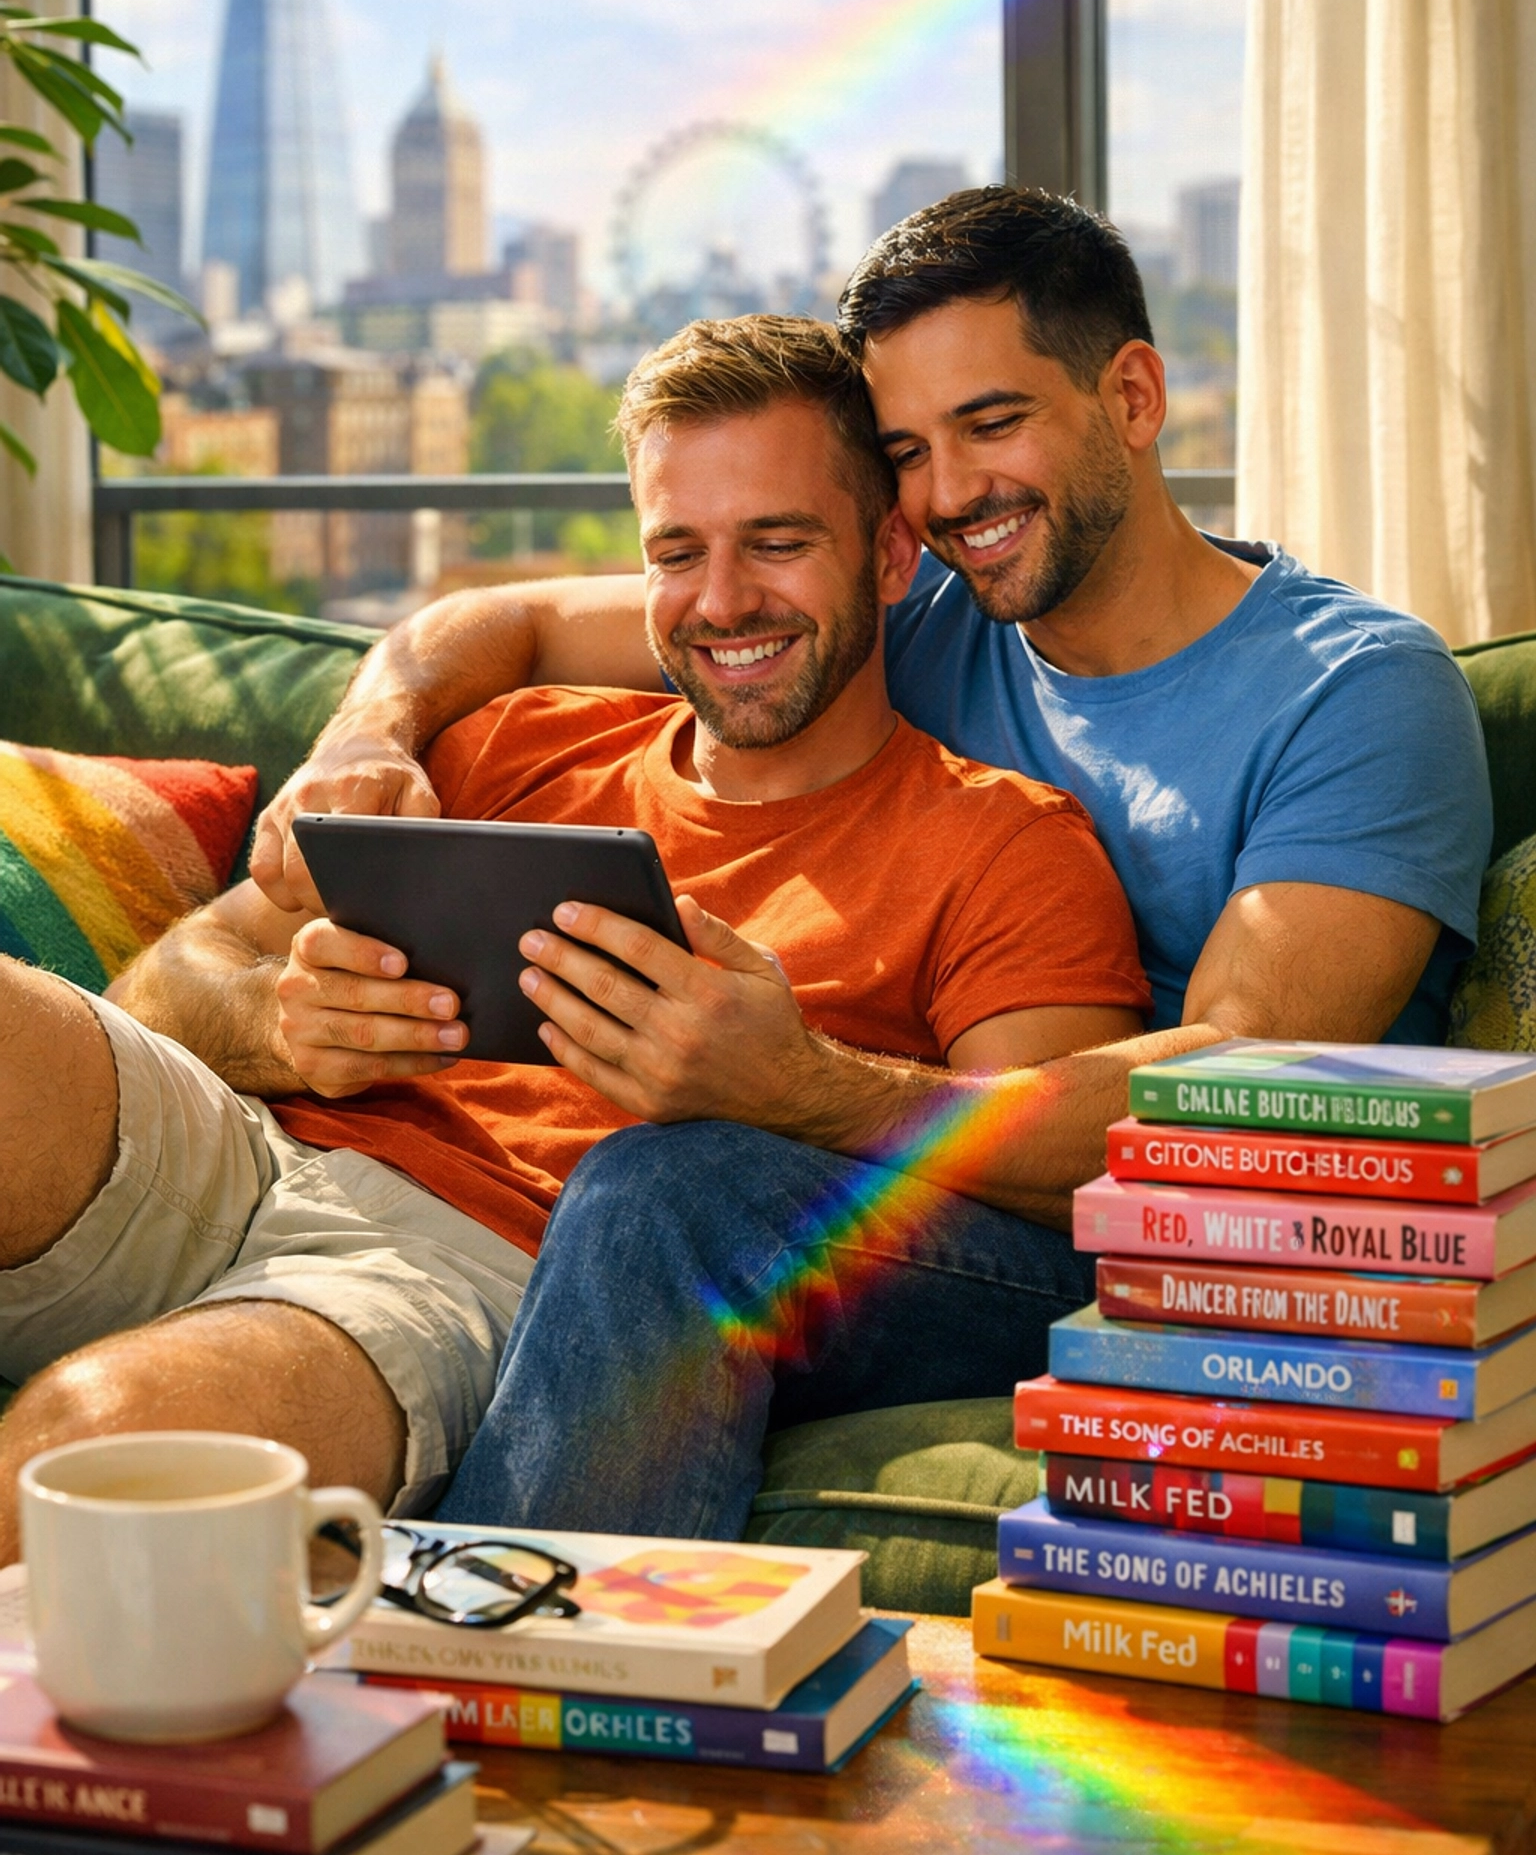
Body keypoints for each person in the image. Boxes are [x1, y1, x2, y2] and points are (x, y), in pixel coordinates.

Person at [0, 317, 1152, 1554]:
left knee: (85, 1446)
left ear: (886, 554)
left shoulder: (1000, 841)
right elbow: (162, 988)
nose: (721, 602)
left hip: (468, 1263)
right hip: (242, 1144)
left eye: (776, 543)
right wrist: (282, 1028)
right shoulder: (516, 740)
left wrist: (794, 1087)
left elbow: (1049, 1205)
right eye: (678, 551)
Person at [251, 188, 1493, 1215]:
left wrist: (803, 1086)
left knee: (669, 1185)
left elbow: (1231, 1079)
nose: (947, 495)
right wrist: (367, 732)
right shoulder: (914, 601)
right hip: (898, 1164)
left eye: (991, 424)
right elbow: (507, 624)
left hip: (1145, 1229)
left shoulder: (1361, 694)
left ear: (1132, 397)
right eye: (904, 451)